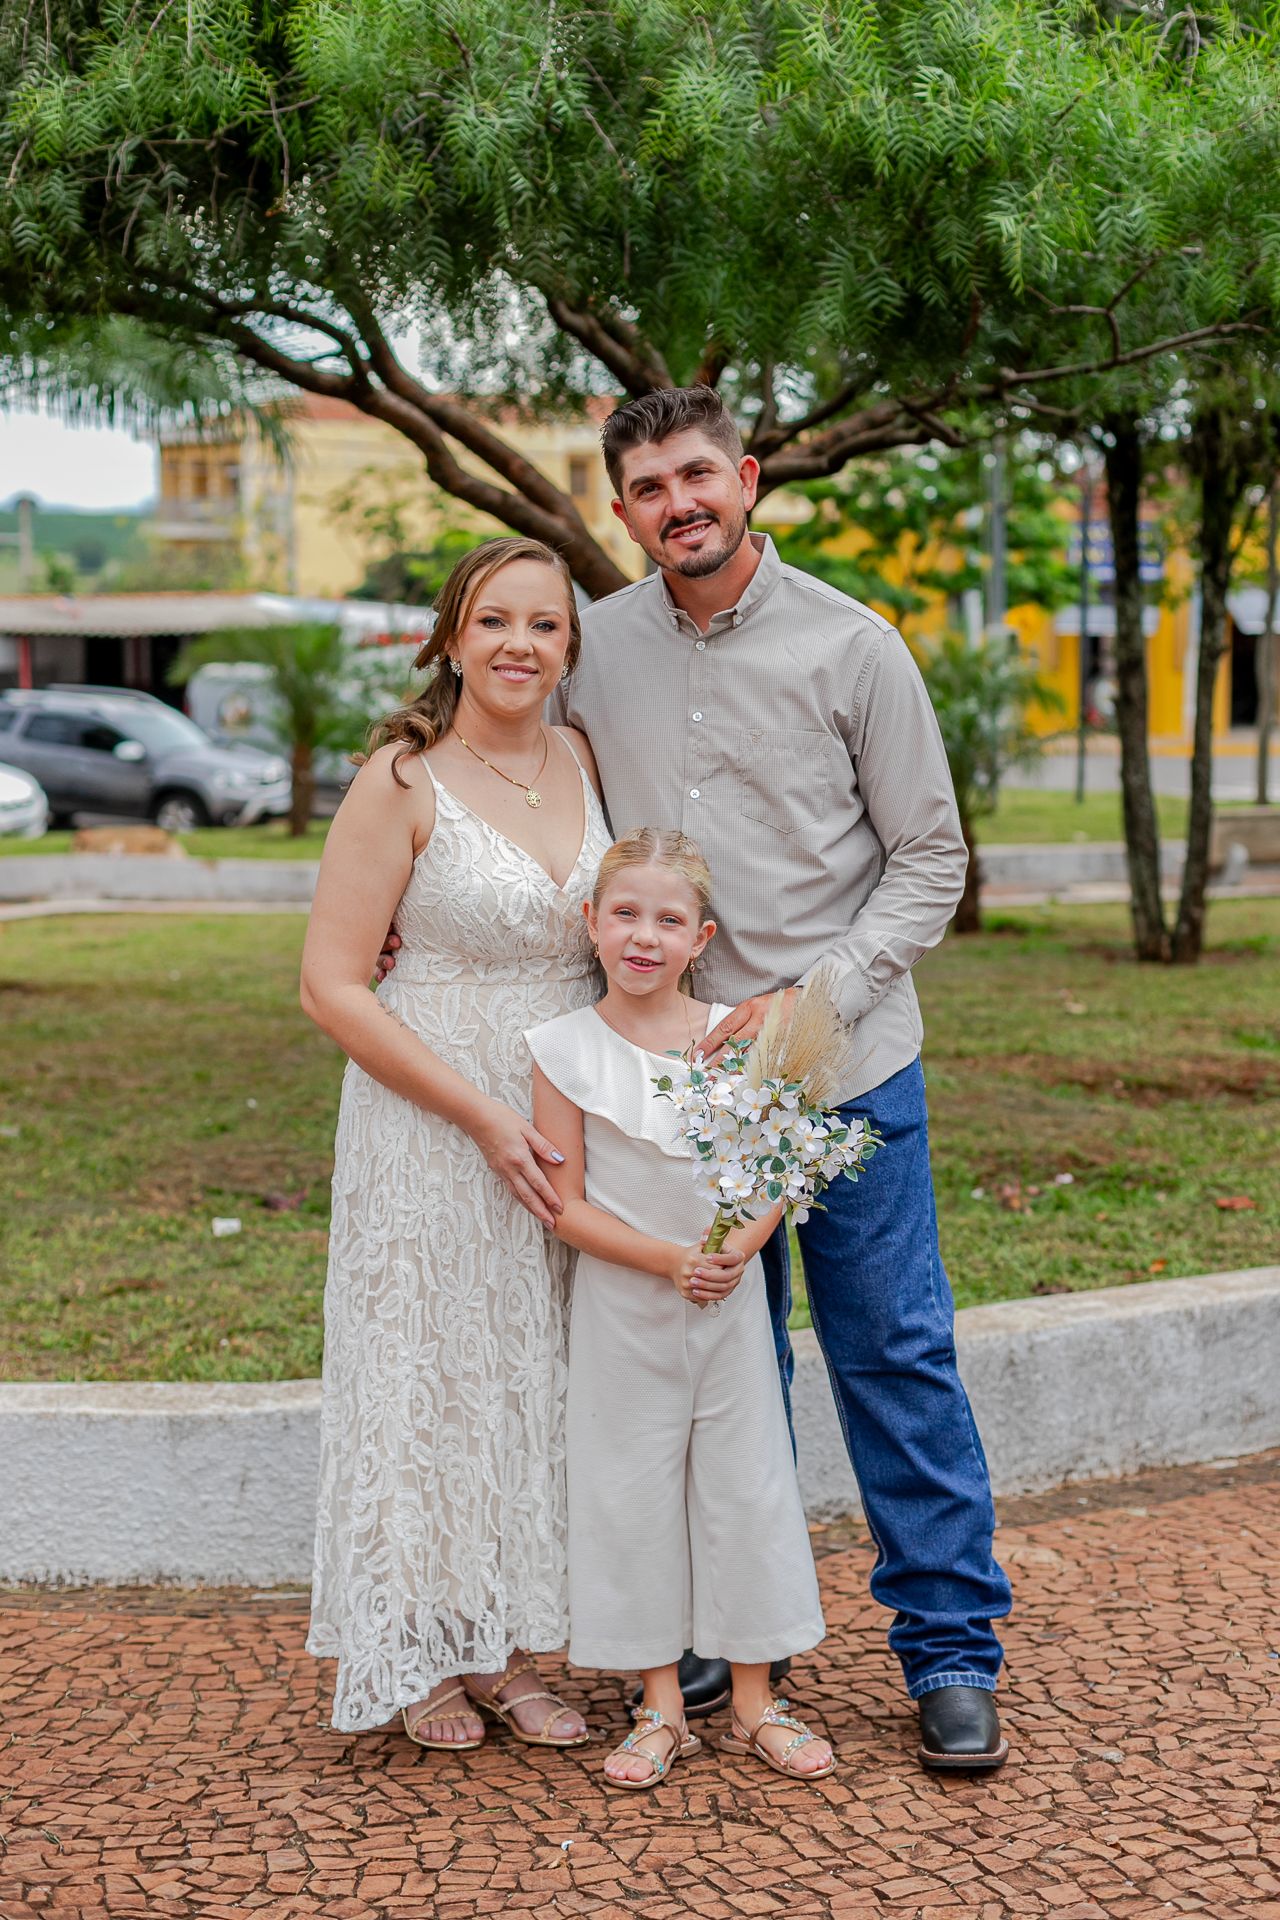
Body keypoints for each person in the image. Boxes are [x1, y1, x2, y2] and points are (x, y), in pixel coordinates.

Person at [553, 386, 1012, 1771]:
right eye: (647, 486)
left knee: (895, 1355)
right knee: (714, 1367)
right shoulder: (596, 649)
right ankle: (710, 1637)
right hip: (678, 1098)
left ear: (744, 479)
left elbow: (931, 858)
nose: (677, 502)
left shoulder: (853, 645)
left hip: (847, 1066)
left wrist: (809, 1007)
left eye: (699, 475)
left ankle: (949, 1653)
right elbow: (524, 787)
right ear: (621, 507)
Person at [300, 535, 613, 1748]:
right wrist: (479, 1114)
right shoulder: (400, 777)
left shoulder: (587, 757)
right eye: (493, 622)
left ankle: (517, 1647)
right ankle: (418, 1649)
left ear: (568, 646)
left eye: (543, 625)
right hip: (432, 1116)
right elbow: (333, 984)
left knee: (534, 1374)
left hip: (563, 1110)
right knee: (424, 1371)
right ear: (449, 636)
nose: (518, 646)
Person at [526, 828, 834, 1789]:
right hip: (624, 1302)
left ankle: (756, 1701)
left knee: (745, 1484)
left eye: (668, 920)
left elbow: (782, 1157)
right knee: (631, 1490)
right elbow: (566, 1204)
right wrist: (668, 1260)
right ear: (591, 924)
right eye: (625, 914)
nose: (644, 937)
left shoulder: (736, 1034)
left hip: (728, 1303)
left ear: (702, 938)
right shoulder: (562, 1048)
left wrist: (740, 1246)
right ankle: (660, 1702)